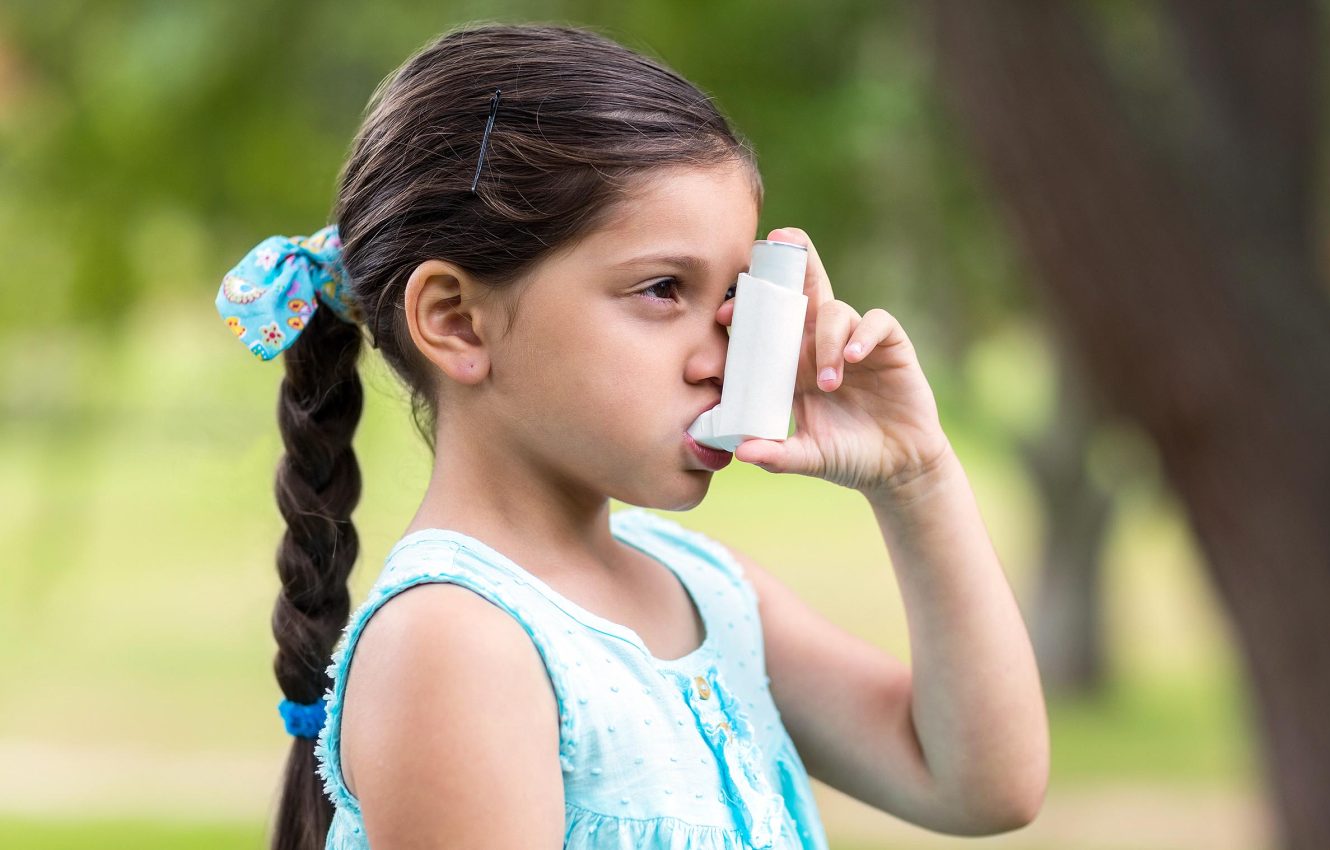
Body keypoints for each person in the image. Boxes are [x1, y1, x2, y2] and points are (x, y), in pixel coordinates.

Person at [214, 21, 1048, 850]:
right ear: (457, 322)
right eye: (661, 289)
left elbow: (982, 784)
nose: (722, 356)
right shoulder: (457, 645)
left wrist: (916, 479)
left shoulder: (704, 590)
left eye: (734, 300)